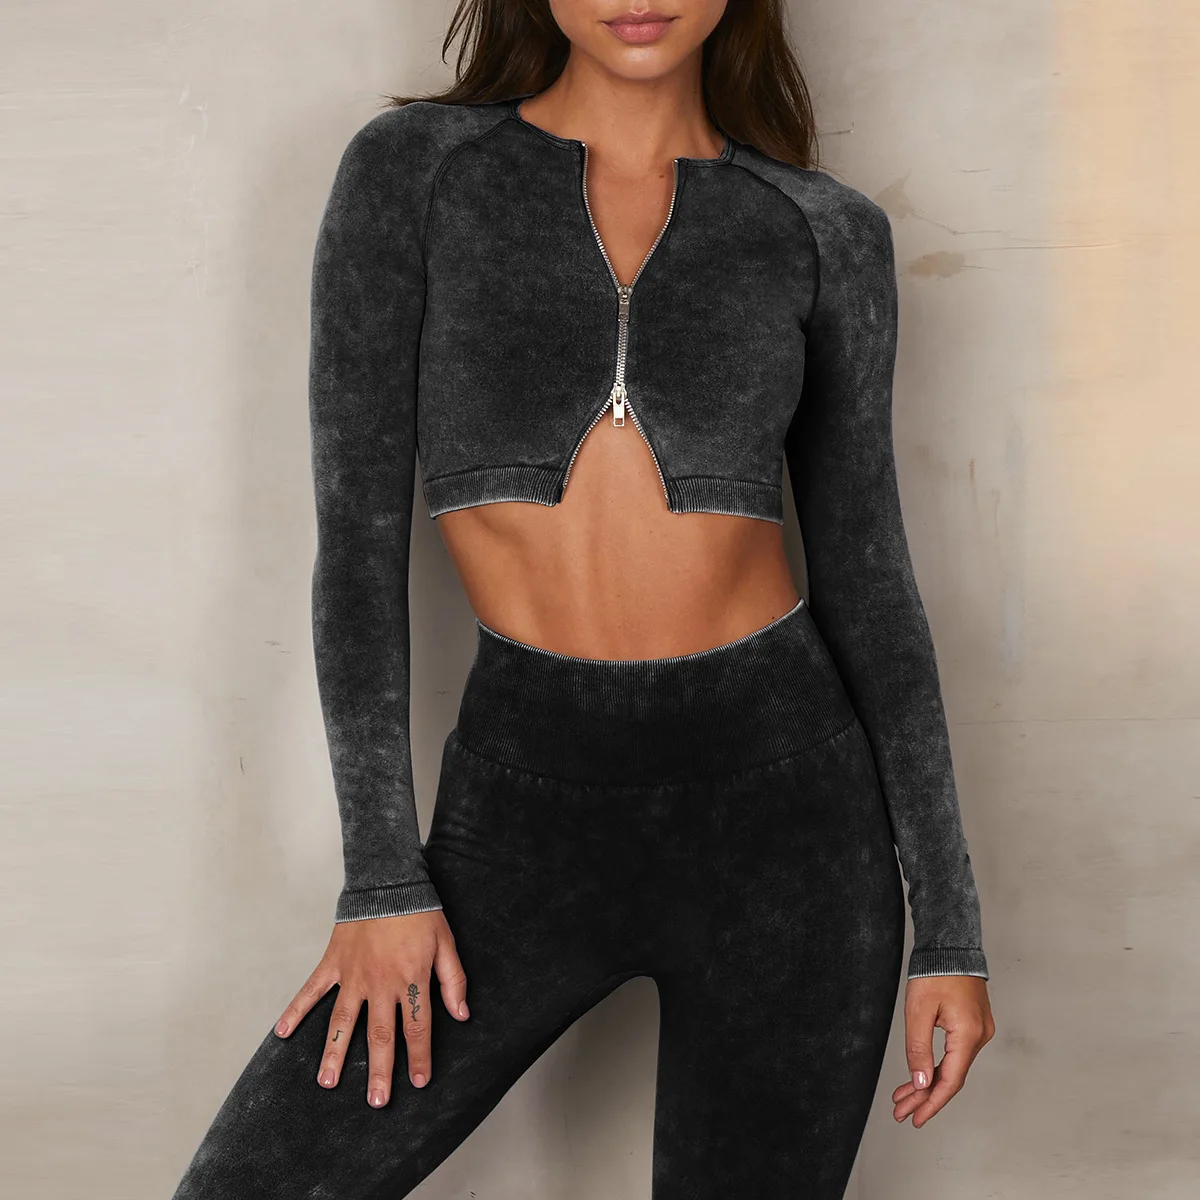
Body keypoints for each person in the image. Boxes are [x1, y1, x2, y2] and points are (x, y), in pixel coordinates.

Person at [170, 2, 996, 1197]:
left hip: (789, 824)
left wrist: (950, 932)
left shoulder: (822, 230)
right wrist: (382, 877)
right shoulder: (418, 175)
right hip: (523, 814)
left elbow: (871, 585)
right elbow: (354, 549)